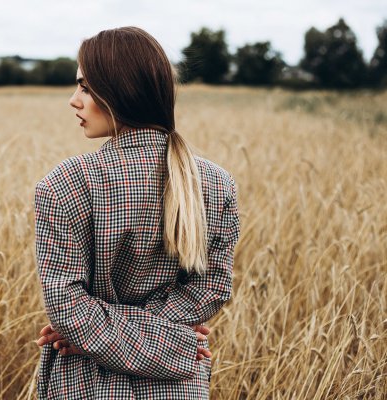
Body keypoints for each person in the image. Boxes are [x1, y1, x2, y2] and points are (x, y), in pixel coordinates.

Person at [33, 26, 240, 399]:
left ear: (119, 92)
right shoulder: (217, 182)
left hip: (85, 382)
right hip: (177, 383)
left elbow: (67, 307)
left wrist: (87, 337)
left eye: (85, 87)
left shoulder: (63, 184)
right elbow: (210, 290)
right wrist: (164, 340)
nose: (73, 100)